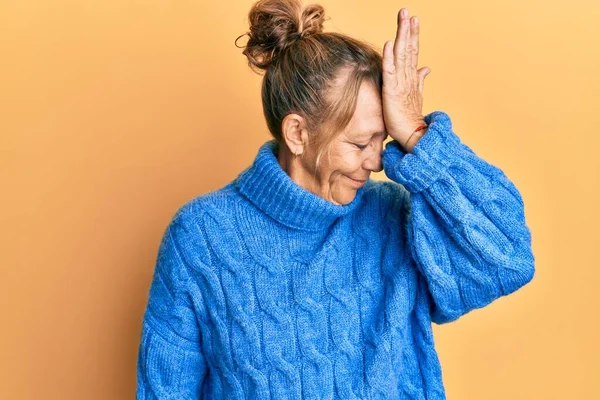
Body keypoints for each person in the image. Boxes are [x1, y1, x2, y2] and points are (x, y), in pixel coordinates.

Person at [135, 0, 536, 398]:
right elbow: (166, 391)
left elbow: (508, 259)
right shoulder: (202, 237)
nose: (378, 161)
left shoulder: (394, 215)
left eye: (384, 138)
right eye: (361, 142)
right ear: (297, 134)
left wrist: (417, 137)